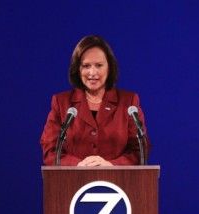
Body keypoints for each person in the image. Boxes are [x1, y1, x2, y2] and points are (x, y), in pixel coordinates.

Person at [40, 35, 149, 166]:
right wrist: (78, 165)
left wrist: (111, 165)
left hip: (118, 183)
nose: (92, 72)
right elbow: (50, 150)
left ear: (109, 67)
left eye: (99, 65)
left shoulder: (128, 102)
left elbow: (140, 150)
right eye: (86, 66)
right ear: (78, 69)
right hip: (72, 183)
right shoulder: (61, 102)